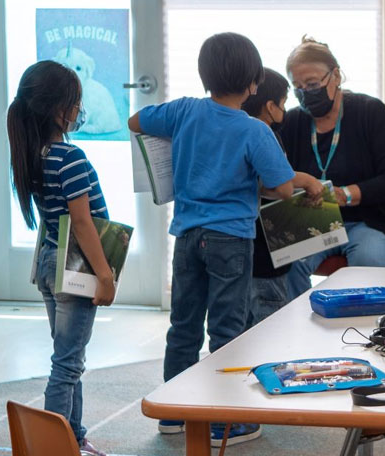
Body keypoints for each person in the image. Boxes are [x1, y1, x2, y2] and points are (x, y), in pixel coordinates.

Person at [128, 32, 322, 446]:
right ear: (254, 84)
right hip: (231, 241)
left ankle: (172, 413)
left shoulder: (183, 112)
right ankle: (222, 422)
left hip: (187, 236)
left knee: (183, 324)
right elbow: (282, 188)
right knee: (227, 329)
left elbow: (136, 122)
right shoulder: (254, 131)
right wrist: (303, 180)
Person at [8, 60, 114, 456]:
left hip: (50, 262)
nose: (79, 111)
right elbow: (83, 224)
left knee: (70, 358)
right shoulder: (70, 157)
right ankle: (56, 447)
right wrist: (104, 274)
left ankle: (74, 437)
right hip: (75, 266)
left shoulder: (35, 152)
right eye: (76, 102)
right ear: (59, 109)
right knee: (67, 364)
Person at [278, 36, 385, 299]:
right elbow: (281, 177)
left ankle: (364, 331)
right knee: (286, 262)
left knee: (369, 259)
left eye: (313, 84)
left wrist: (345, 195)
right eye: (298, 87)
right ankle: (298, 326)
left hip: (370, 220)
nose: (306, 93)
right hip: (313, 220)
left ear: (336, 76)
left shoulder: (369, 111)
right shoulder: (292, 121)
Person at [240, 68, 294, 328]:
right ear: (270, 106)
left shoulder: (235, 133)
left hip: (241, 253)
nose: (285, 110)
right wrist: (302, 181)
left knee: (237, 328)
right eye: (283, 103)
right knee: (268, 328)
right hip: (268, 258)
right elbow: (279, 186)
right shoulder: (266, 136)